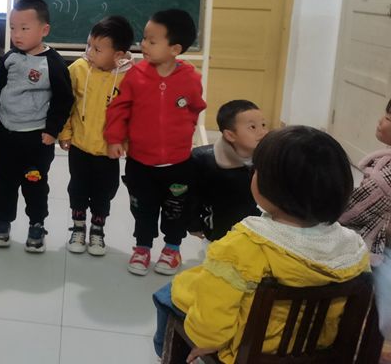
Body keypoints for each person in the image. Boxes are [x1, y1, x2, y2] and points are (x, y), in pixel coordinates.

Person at [152, 126, 370, 363]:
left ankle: (167, 353)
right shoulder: (353, 248)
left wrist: (206, 341)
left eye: (257, 170)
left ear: (272, 188)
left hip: (250, 347)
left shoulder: (244, 246)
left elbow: (215, 311)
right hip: (315, 346)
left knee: (168, 294)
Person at [104, 9, 206, 275]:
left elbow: (196, 107)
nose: (143, 45)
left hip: (178, 163)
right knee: (143, 208)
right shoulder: (136, 75)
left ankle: (172, 249)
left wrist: (183, 133)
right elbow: (119, 109)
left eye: (152, 41)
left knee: (175, 209)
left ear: (175, 49)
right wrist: (114, 138)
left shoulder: (190, 78)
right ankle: (142, 247)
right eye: (144, 39)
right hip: (140, 162)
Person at [0, 0, 73, 252]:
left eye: (24, 28)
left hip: (36, 137)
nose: (17, 34)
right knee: (4, 182)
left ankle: (37, 224)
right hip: (6, 133)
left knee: (34, 182)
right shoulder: (10, 58)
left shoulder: (53, 63)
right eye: (13, 28)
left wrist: (52, 130)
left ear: (44, 30)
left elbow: (63, 99)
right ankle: (3, 222)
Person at [58, 15, 134, 256]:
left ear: (118, 55)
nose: (89, 52)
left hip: (108, 150)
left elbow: (132, 114)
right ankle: (78, 227)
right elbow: (65, 104)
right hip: (79, 145)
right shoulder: (78, 69)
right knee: (77, 187)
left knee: (105, 191)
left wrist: (125, 143)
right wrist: (65, 133)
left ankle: (97, 229)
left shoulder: (130, 77)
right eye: (89, 44)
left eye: (98, 49)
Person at [340, 98, 391, 339]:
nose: (380, 121)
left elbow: (351, 211)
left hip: (382, 249)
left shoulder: (385, 176)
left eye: (388, 118)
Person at [187, 99, 267, 242]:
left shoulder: (266, 157)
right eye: (252, 127)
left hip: (252, 229)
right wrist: (193, 224)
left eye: (263, 125)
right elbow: (192, 195)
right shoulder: (204, 159)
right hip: (218, 230)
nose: (262, 132)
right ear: (230, 135)